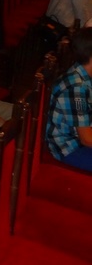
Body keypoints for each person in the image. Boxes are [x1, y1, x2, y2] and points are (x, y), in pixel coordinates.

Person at [46, 27, 92, 172]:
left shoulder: (83, 73)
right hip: (70, 148)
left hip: (79, 139)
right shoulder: (77, 87)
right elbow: (87, 139)